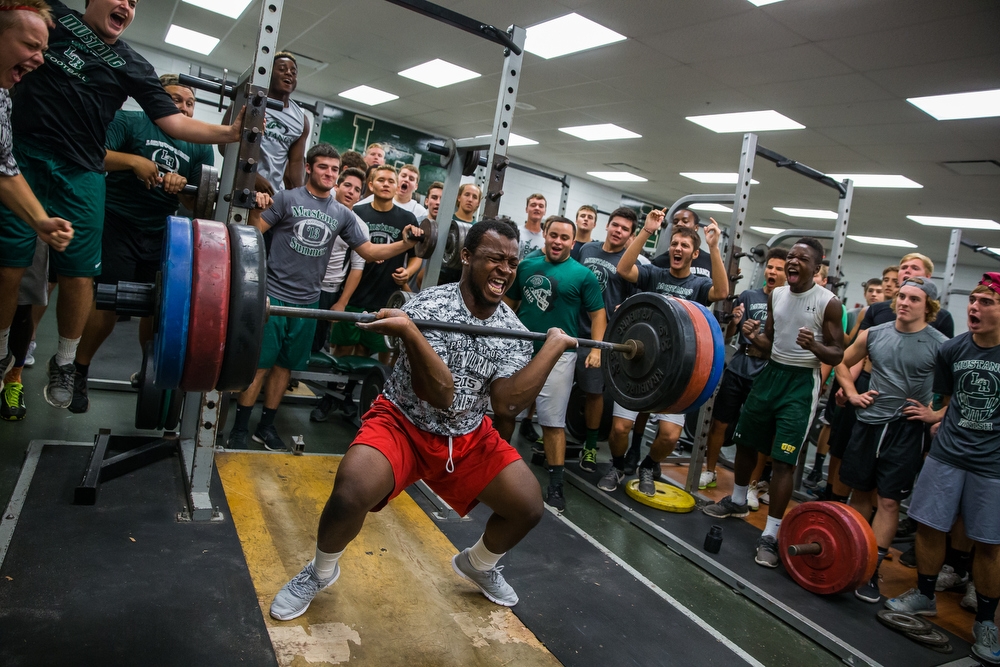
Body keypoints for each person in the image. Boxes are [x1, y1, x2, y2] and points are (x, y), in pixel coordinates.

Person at [269, 219, 577, 620]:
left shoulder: (513, 331)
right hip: (403, 423)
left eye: (512, 263)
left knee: (528, 506)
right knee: (350, 492)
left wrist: (551, 349)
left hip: (466, 434)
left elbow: (506, 406)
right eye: (494, 259)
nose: (504, 270)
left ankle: (478, 564)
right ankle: (319, 572)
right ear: (466, 257)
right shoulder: (427, 308)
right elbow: (436, 393)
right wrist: (411, 332)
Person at [0, 0, 242, 411]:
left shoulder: (132, 64)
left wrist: (232, 132)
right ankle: (4, 350)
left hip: (81, 171)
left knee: (79, 273)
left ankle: (65, 361)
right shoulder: (54, 20)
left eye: (134, 3)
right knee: (9, 265)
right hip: (21, 155)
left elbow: (176, 122)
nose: (127, 6)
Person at [228, 145, 422, 450]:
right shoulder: (286, 199)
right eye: (323, 167)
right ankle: (239, 427)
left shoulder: (342, 214)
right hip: (273, 298)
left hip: (308, 302)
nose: (329, 173)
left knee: (284, 368)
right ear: (308, 168)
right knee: (261, 366)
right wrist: (255, 208)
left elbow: (369, 252)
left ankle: (265, 427)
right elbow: (252, 234)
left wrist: (405, 244)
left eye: (334, 169)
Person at [70, 74, 215, 413]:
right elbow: (94, 154)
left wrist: (182, 189)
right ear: (157, 101)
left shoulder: (198, 143)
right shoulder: (131, 121)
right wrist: (134, 161)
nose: (184, 106)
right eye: (176, 99)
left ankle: (148, 372)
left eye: (190, 103)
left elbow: (200, 203)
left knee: (158, 309)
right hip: (117, 223)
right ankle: (77, 370)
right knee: (108, 304)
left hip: (164, 233)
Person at [703, 238, 844, 569]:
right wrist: (753, 335)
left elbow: (837, 352)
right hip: (770, 374)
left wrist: (815, 347)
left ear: (816, 266)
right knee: (747, 442)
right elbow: (769, 344)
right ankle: (738, 501)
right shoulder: (777, 295)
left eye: (801, 259)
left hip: (800, 383)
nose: (793, 262)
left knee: (783, 462)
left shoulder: (829, 303)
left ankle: (771, 534)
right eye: (790, 257)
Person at [885, 274, 1000, 666]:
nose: (975, 308)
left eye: (987, 302)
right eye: (974, 300)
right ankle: (925, 595)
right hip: (947, 454)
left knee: (989, 543)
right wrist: (938, 417)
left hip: (993, 464)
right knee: (930, 527)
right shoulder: (952, 349)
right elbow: (949, 398)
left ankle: (986, 622)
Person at [833, 278, 948, 603]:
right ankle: (853, 559)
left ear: (928, 307)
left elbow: (958, 386)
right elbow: (842, 360)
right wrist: (852, 394)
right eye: (902, 296)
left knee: (887, 501)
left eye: (914, 298)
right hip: (869, 423)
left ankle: (870, 570)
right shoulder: (874, 333)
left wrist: (936, 414)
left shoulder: (941, 344)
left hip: (906, 428)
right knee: (859, 493)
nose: (904, 302)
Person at [605, 211, 728, 496]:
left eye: (684, 246)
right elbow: (624, 269)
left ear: (693, 253)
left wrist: (714, 247)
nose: (677, 249)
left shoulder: (698, 286)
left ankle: (648, 465)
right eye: (674, 244)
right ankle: (618, 466)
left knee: (670, 435)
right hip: (638, 368)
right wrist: (646, 231)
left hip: (676, 375)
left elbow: (722, 292)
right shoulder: (653, 275)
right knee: (620, 429)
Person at [0, 0, 75, 417]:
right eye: (30, 45)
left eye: (43, 49)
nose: (39, 58)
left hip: (27, 200)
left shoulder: (4, 97)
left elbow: (4, 168)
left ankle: (10, 377)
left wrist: (41, 221)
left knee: (25, 296)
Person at [505, 216, 606, 512]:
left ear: (573, 243)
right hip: (521, 349)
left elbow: (599, 314)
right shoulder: (525, 267)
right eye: (554, 236)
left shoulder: (583, 275)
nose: (558, 242)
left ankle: (556, 483)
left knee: (552, 422)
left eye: (565, 238)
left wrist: (596, 349)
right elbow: (509, 307)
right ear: (545, 236)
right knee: (505, 411)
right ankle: (492, 469)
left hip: (560, 356)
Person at [699, 248, 788, 494]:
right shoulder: (749, 296)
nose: (772, 272)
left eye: (778, 268)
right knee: (719, 422)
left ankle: (750, 486)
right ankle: (710, 471)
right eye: (770, 267)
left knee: (757, 432)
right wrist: (734, 323)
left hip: (765, 372)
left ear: (787, 273)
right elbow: (728, 337)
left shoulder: (788, 302)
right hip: (739, 366)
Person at [329, 165, 419, 363]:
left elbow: (417, 254)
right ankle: (333, 391)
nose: (386, 184)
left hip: (385, 298)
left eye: (390, 181)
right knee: (342, 349)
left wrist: (408, 272)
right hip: (354, 294)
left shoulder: (408, 219)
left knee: (369, 354)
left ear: (396, 187)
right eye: (381, 180)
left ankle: (356, 393)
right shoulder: (356, 212)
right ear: (370, 185)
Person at [575, 207, 637, 472]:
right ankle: (551, 432)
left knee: (593, 393)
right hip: (573, 328)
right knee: (562, 387)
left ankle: (590, 446)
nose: (618, 231)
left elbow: (633, 303)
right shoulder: (587, 249)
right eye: (615, 225)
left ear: (630, 235)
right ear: (607, 226)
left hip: (602, 338)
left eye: (624, 228)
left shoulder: (629, 263)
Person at [225, 52, 307, 195]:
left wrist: (299, 198)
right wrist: (251, 175)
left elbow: (296, 163)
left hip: (273, 194)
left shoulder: (301, 120)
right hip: (238, 186)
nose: (289, 73)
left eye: (293, 72)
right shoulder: (248, 102)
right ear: (269, 74)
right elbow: (225, 144)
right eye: (282, 69)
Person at [310, 166, 368, 357]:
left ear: (360, 197)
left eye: (357, 189)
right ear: (336, 186)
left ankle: (294, 378)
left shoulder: (360, 226)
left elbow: (357, 268)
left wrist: (342, 303)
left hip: (329, 290)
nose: (351, 191)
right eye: (347, 185)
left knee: (315, 343)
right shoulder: (314, 210)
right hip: (302, 283)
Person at [860, 253, 953, 337]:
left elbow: (946, 351)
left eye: (915, 268)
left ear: (927, 277)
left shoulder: (942, 316)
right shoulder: (875, 309)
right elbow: (860, 344)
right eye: (904, 268)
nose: (907, 271)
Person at [652, 208, 712, 279]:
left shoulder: (709, 260)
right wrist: (647, 230)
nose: (679, 224)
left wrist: (714, 247)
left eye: (685, 221)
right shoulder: (659, 261)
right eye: (675, 222)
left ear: (696, 227)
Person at [518, 193, 546, 260]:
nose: (537, 208)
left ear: (545, 211)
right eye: (533, 205)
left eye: (541, 206)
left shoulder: (546, 238)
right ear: (526, 209)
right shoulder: (516, 231)